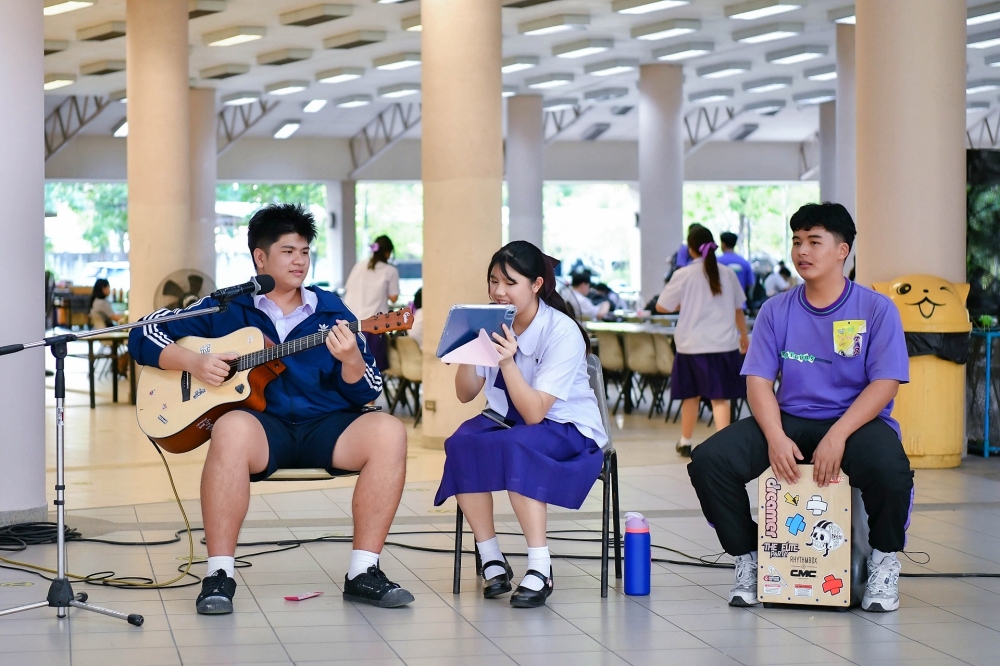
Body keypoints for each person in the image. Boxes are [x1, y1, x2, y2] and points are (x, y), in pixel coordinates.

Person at [128, 204, 414, 614]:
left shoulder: (332, 311)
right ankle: (219, 574)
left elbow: (368, 388)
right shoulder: (227, 308)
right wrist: (193, 362)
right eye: (288, 251)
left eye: (305, 251)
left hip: (327, 427)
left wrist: (352, 360)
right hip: (263, 428)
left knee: (389, 431)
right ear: (260, 257)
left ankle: (363, 571)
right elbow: (143, 332)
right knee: (230, 427)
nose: (300, 261)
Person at [687, 202, 913, 613]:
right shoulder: (776, 309)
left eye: (813, 241)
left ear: (842, 250)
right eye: (796, 241)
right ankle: (751, 557)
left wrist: (838, 435)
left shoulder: (876, 309)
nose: (802, 251)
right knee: (709, 461)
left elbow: (885, 383)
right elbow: (758, 380)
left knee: (890, 469)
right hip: (789, 419)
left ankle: (884, 561)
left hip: (854, 422)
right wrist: (774, 436)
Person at [434, 241, 606, 608]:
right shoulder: (491, 321)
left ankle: (541, 566)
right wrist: (467, 345)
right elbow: (465, 394)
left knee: (519, 446)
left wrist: (507, 362)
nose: (498, 291)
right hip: (508, 420)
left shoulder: (561, 331)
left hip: (566, 427)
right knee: (462, 443)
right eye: (493, 281)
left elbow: (535, 415)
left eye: (510, 282)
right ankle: (491, 557)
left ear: (536, 284)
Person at [656, 227, 749, 457]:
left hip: (691, 345)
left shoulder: (684, 274)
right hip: (723, 344)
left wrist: (684, 303)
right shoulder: (727, 273)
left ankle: (685, 442)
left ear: (690, 249)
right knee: (720, 398)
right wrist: (744, 336)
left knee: (690, 396)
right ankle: (724, 446)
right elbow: (738, 309)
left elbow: (661, 306)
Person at [344, 235, 400, 370]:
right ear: (387, 253)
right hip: (373, 327)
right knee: (373, 370)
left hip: (350, 325)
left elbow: (348, 289)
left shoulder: (359, 266)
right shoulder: (390, 270)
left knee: (352, 369)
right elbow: (394, 297)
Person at [717, 231, 754, 297]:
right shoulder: (744, 262)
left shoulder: (717, 261)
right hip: (740, 301)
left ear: (723, 244)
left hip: (721, 301)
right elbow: (750, 284)